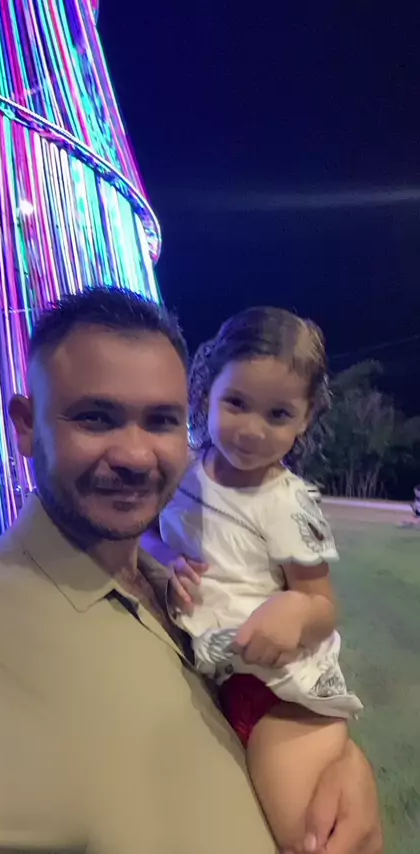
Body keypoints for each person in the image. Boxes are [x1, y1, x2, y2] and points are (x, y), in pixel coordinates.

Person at [0, 287, 382, 854]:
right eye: (95, 417)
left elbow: (302, 619)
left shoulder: (154, 575)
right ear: (26, 425)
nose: (135, 455)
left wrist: (344, 764)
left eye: (160, 421)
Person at [144, 307, 364, 847]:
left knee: (305, 841)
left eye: (278, 414)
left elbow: (322, 604)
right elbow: (147, 534)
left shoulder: (287, 503)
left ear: (305, 419)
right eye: (236, 403)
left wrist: (295, 609)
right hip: (218, 677)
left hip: (283, 698)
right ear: (206, 396)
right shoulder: (183, 473)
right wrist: (165, 558)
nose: (251, 429)